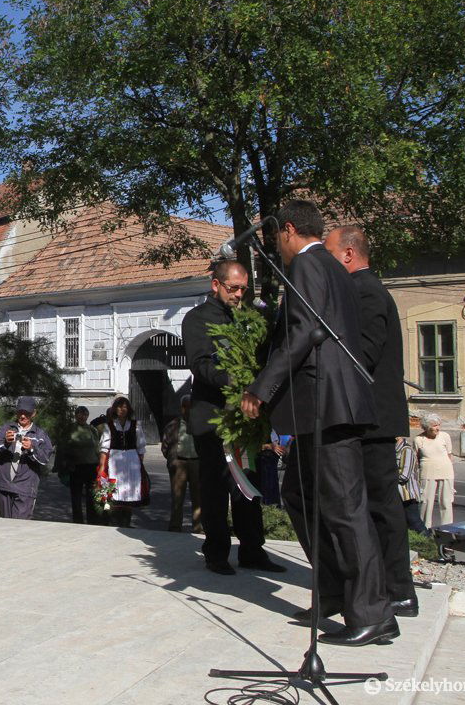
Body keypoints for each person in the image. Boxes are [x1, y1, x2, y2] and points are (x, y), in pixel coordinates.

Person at [241, 199, 394, 647]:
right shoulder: (332, 267)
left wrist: (260, 387)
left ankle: (373, 614)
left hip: (329, 404)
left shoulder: (309, 264)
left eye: (276, 239)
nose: (277, 247)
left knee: (346, 511)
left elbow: (305, 330)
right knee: (298, 494)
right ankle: (330, 590)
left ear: (288, 230)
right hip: (320, 406)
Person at [325, 225, 417, 617]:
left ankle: (399, 590)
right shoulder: (361, 289)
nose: (325, 260)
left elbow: (361, 354)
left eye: (329, 252)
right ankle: (381, 583)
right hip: (368, 417)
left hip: (372, 419)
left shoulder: (365, 291)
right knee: (373, 504)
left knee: (381, 505)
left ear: (348, 254)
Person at [182, 260, 285, 575]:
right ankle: (216, 552)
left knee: (249, 485)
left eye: (243, 289)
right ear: (216, 285)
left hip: (245, 416)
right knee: (216, 488)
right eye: (233, 288)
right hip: (213, 419)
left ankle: (252, 550)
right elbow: (200, 364)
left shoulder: (246, 320)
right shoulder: (197, 319)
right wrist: (236, 381)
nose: (239, 294)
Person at [0, 396, 53, 519]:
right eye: (20, 412)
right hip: (5, 486)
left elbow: (45, 459)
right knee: (4, 526)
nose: (22, 416)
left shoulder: (40, 434)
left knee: (19, 527)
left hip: (26, 488)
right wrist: (6, 443)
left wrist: (32, 448)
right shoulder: (6, 428)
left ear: (33, 413)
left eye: (26, 413)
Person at [97, 396, 144, 528]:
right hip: (115, 461)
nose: (122, 409)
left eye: (124, 407)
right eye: (119, 407)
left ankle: (126, 522)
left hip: (132, 460)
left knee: (130, 489)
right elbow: (104, 447)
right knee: (114, 489)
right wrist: (101, 466)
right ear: (115, 409)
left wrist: (140, 464)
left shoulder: (136, 425)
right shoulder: (109, 426)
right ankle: (114, 521)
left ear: (128, 409)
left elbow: (141, 447)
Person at [162, 396, 202, 533]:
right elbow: (165, 446)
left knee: (198, 497)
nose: (188, 410)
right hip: (179, 463)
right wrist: (172, 460)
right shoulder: (173, 425)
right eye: (185, 406)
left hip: (197, 462)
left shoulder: (200, 424)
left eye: (190, 406)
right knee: (177, 497)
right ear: (181, 408)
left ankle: (198, 526)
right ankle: (175, 526)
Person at [416, 413, 456, 529]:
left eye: (438, 424)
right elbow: (417, 458)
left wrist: (451, 471)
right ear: (427, 427)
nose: (437, 428)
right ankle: (424, 530)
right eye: (434, 425)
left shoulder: (445, 436)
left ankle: (447, 529)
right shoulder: (418, 439)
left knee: (446, 502)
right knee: (426, 502)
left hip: (446, 471)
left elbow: (449, 455)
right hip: (427, 472)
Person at [66, 405, 101, 524]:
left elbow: (97, 447)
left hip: (91, 467)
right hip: (76, 467)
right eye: (79, 414)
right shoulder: (70, 429)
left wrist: (100, 464)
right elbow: (63, 447)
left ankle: (92, 521)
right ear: (75, 415)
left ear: (87, 416)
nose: (82, 416)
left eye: (85, 414)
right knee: (76, 497)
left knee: (91, 497)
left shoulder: (92, 429)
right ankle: (78, 522)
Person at [396, 436, 428, 534]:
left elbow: (404, 475)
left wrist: (387, 477)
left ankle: (428, 543)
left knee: (415, 523)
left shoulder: (406, 450)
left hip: (408, 494)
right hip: (398, 494)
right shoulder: (394, 450)